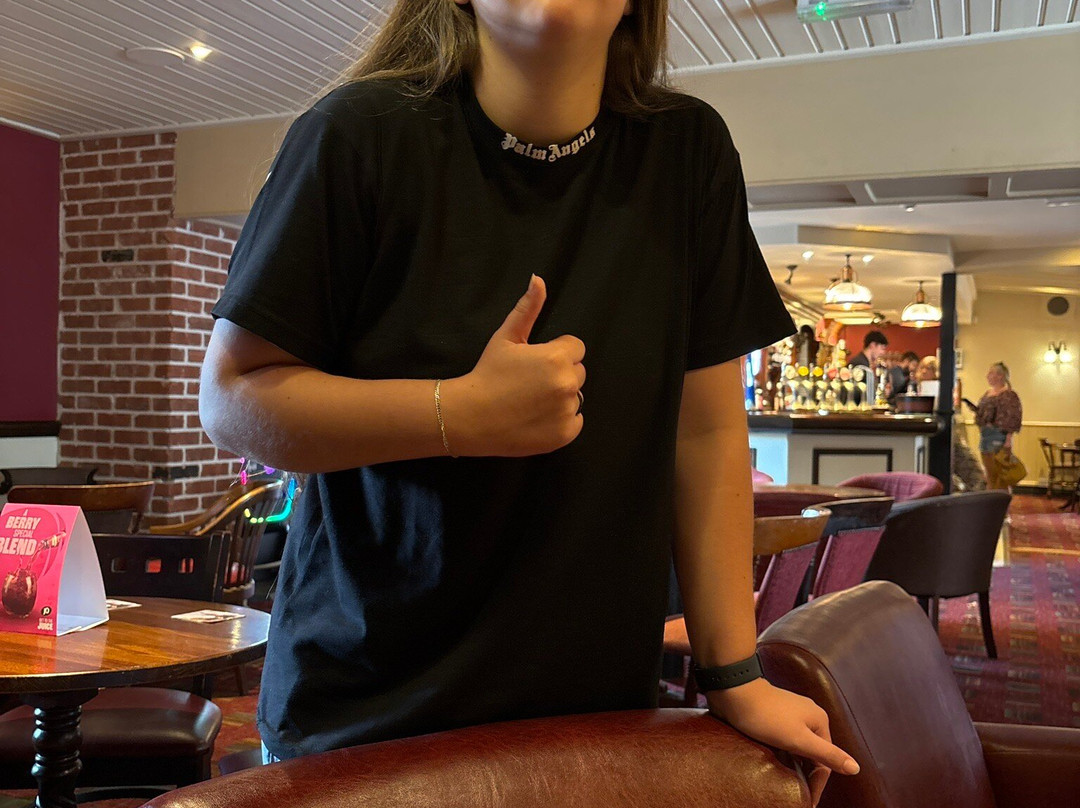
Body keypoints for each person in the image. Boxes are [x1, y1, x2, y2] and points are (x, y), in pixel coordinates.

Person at [199, 0, 857, 800]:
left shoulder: (687, 151)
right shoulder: (357, 134)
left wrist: (735, 675)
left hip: (596, 710)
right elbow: (231, 397)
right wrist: (456, 414)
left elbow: (707, 432)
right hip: (368, 710)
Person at [967, 362, 1023, 489]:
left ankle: (999, 499)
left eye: (991, 373)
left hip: (998, 436)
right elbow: (983, 413)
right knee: (990, 474)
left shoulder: (1008, 395)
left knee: (999, 475)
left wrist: (1008, 440)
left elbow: (1012, 418)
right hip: (985, 435)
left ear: (1000, 376)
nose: (987, 376)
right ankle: (992, 498)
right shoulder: (988, 393)